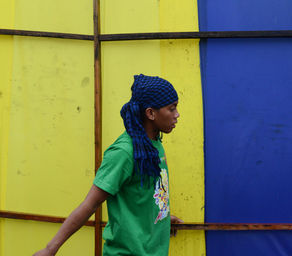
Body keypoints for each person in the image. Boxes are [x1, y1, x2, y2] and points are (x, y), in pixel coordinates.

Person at [33, 74, 183, 256]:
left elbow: (142, 195)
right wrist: (50, 249)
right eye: (171, 109)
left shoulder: (154, 143)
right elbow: (90, 204)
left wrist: (161, 218)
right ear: (150, 113)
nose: (177, 115)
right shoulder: (124, 152)